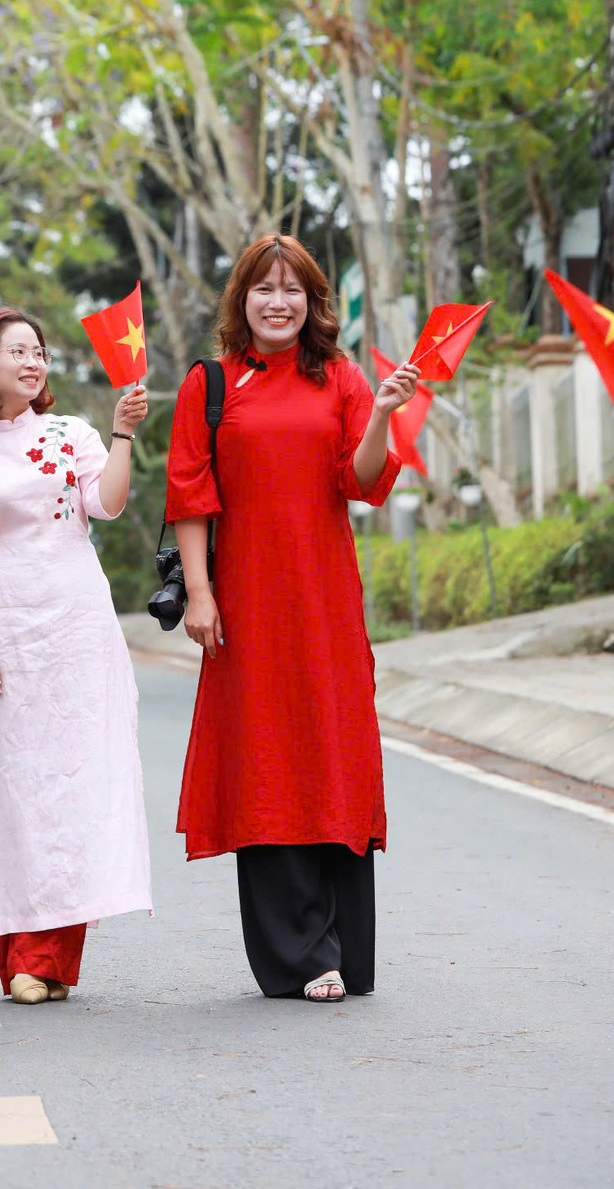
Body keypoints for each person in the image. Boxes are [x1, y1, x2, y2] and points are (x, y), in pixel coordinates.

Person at [165, 234, 419, 1004]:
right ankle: (299, 952)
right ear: (241, 298)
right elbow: (189, 496)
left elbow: (362, 479)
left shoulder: (340, 378)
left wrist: (378, 413)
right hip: (246, 603)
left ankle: (342, 940)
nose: (278, 301)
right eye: (263, 288)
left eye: (294, 290)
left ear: (313, 302)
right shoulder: (210, 384)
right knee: (266, 757)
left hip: (325, 603)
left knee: (331, 751)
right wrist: (202, 593)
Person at [0, 306, 153, 1006]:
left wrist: (122, 433)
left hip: (79, 625)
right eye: (17, 352)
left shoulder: (75, 434)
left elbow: (109, 503)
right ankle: (26, 956)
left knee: (76, 783)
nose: (32, 362)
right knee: (20, 788)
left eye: (39, 351)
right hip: (11, 628)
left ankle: (56, 957)